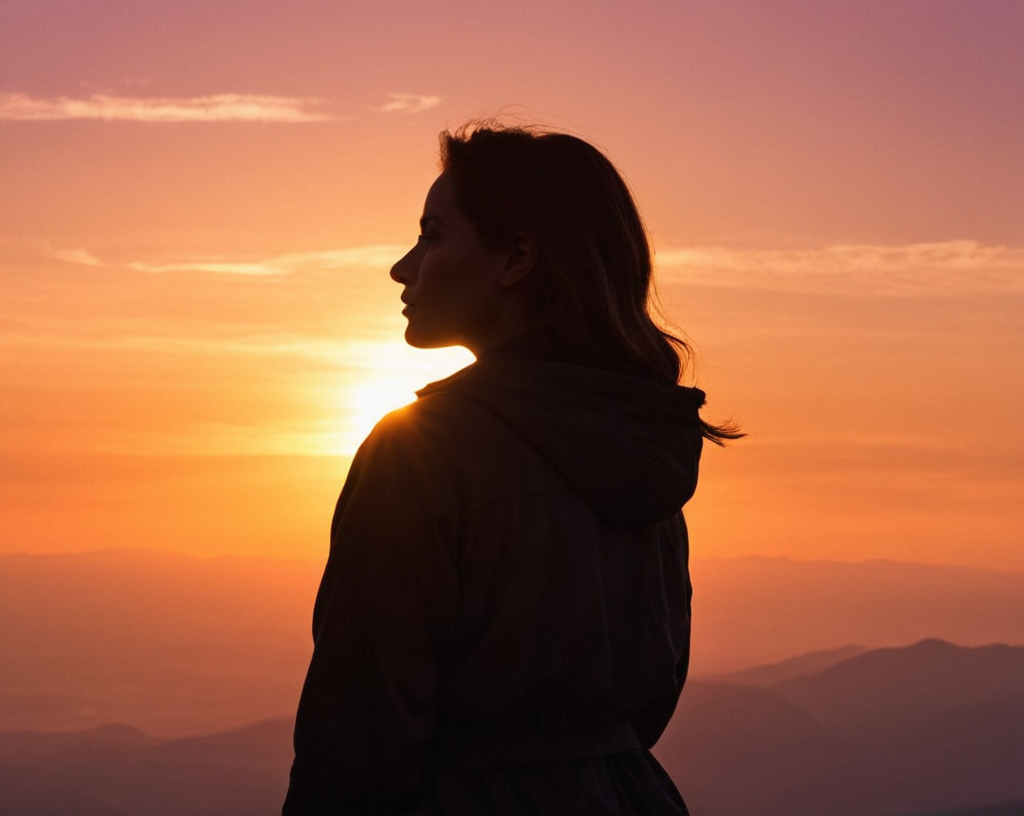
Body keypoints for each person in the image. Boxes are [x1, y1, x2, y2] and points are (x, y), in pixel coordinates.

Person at [283, 124, 740, 816]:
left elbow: (360, 732)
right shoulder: (641, 440)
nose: (403, 267)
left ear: (516, 258)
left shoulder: (423, 450)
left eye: (433, 235)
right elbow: (651, 694)